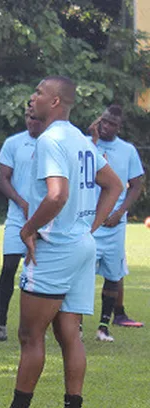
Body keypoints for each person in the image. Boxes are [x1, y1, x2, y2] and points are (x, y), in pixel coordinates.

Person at [0, 76, 122, 408]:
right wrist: (90, 228)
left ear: (55, 102)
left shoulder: (52, 139)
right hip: (82, 247)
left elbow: (57, 196)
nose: (32, 97)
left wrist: (28, 229)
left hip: (55, 247)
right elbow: (114, 185)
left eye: (38, 92)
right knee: (69, 333)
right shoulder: (81, 140)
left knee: (29, 334)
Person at [0, 109, 44, 342]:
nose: (31, 121)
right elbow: (2, 179)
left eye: (36, 117)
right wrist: (22, 203)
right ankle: (0, 326)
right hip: (18, 218)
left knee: (40, 272)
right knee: (8, 268)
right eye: (29, 116)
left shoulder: (52, 143)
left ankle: (37, 327)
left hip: (46, 219)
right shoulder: (14, 143)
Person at [88, 104, 145, 341]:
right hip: (89, 222)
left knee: (113, 276)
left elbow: (137, 183)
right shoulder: (86, 144)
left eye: (112, 124)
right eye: (104, 121)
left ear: (120, 127)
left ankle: (103, 327)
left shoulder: (128, 150)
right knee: (81, 276)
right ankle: (76, 325)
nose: (107, 126)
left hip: (114, 225)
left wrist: (121, 211)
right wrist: (91, 140)